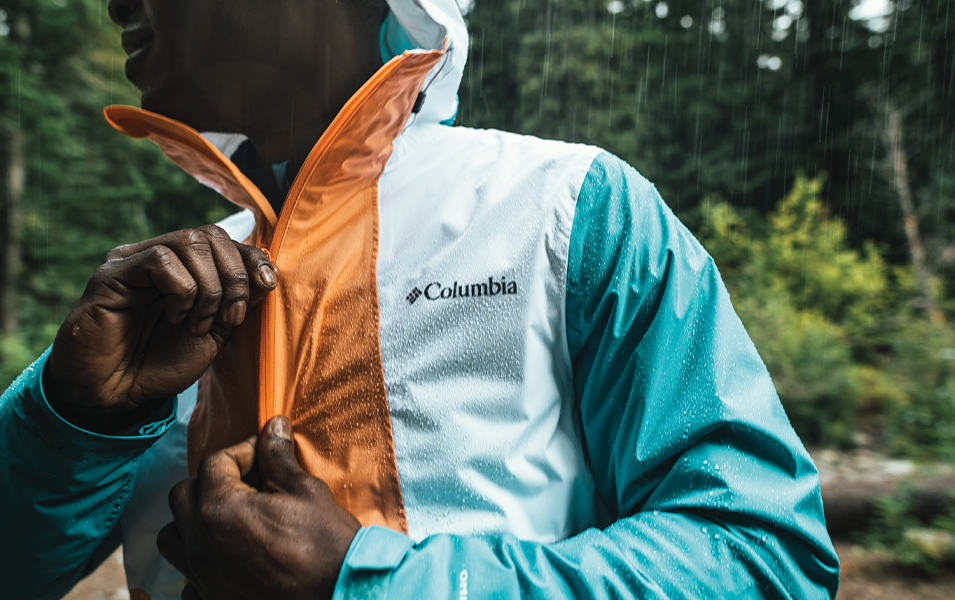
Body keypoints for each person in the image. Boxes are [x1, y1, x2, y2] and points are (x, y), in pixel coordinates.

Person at [0, 0, 840, 598]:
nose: (111, 3)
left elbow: (765, 558)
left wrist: (366, 582)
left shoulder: (570, 210)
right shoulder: (161, 297)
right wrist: (71, 413)